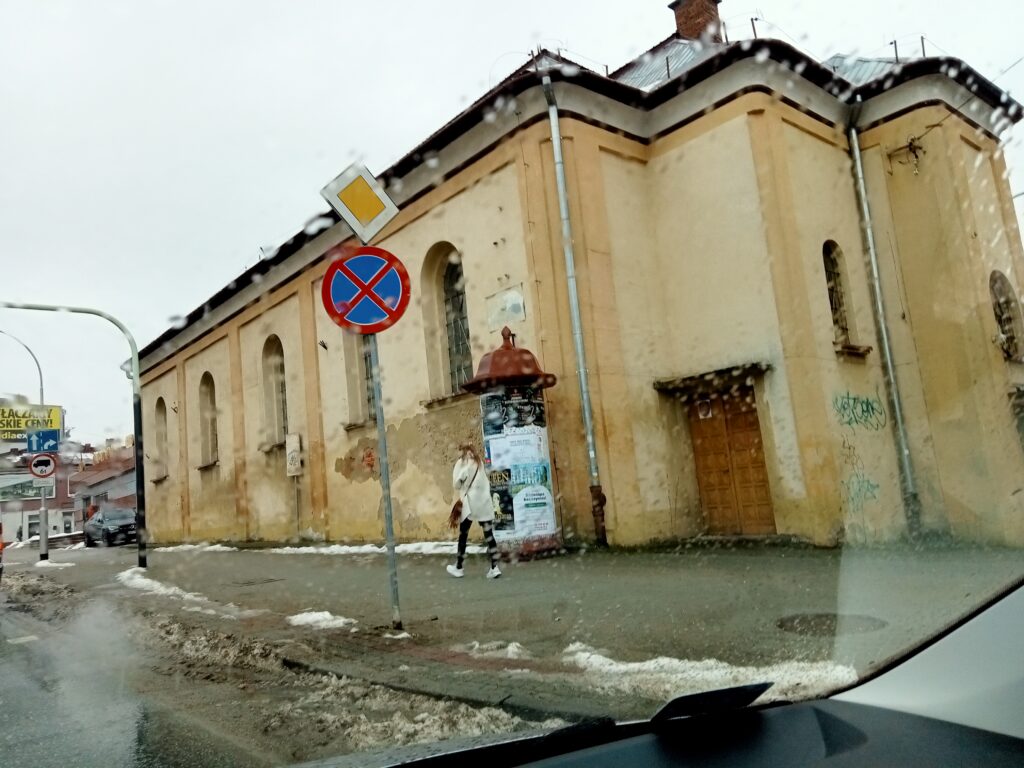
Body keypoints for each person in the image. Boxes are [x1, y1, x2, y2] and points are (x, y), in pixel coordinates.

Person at [447, 443, 502, 579]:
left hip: (470, 503)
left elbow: (456, 484)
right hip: (484, 502)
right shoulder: (479, 462)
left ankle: (459, 567)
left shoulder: (463, 463)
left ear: (463, 452)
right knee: (489, 534)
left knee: (463, 535)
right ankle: (495, 567)